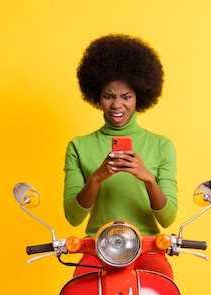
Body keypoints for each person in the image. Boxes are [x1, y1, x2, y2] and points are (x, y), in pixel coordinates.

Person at [63, 34, 178, 277]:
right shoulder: (79, 146)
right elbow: (73, 217)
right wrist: (96, 178)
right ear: (97, 97)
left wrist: (147, 178)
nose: (117, 105)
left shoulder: (161, 145)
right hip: (97, 248)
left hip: (147, 248)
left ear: (140, 97)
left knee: (163, 288)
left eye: (126, 97)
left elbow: (167, 219)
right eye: (109, 96)